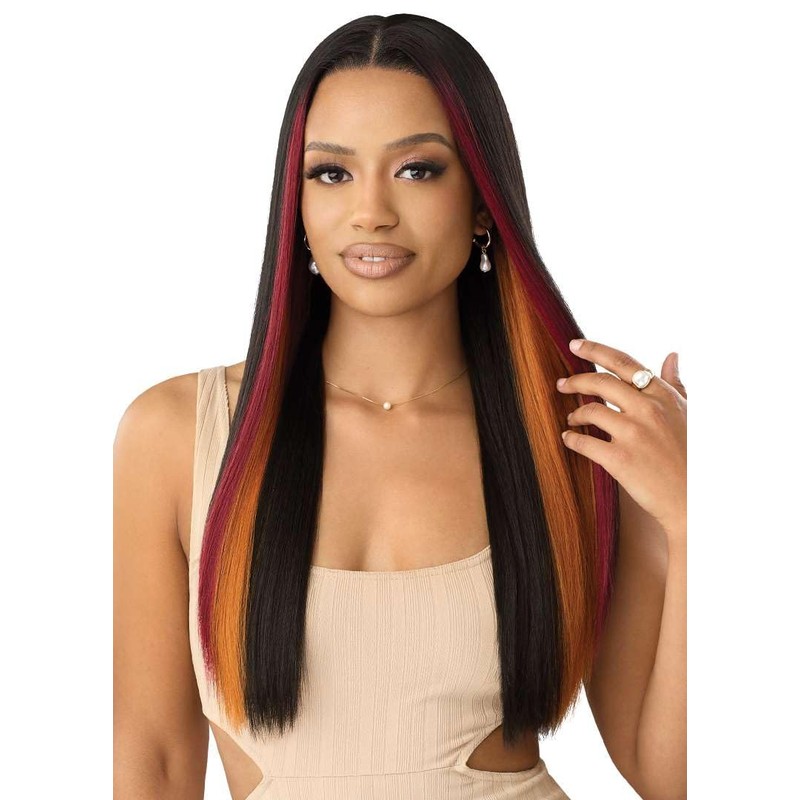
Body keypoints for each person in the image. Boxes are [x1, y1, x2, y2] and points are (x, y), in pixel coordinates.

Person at [114, 13, 687, 800]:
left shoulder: (575, 436)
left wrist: (694, 515)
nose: (371, 212)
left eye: (418, 169)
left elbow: (669, 773)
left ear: (483, 202)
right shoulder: (175, 434)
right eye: (331, 173)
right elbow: (153, 759)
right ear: (295, 205)